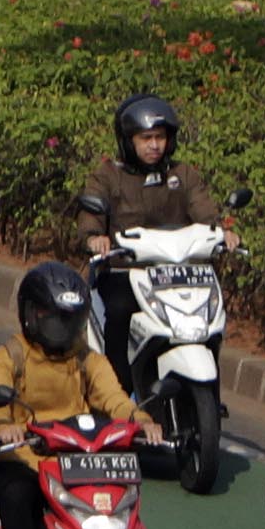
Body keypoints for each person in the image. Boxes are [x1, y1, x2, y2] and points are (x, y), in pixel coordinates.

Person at [0, 258, 143, 529]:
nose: (63, 329)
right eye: (54, 319)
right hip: (25, 455)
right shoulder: (6, 359)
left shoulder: (87, 358)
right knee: (17, 496)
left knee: (119, 496)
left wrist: (140, 419)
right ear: (31, 315)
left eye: (71, 320)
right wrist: (3, 426)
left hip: (79, 457)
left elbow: (113, 397)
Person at [71, 90, 221, 366]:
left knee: (209, 320)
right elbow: (90, 214)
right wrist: (94, 238)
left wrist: (222, 232)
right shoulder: (107, 175)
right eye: (146, 138)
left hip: (176, 274)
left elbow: (204, 211)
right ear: (129, 141)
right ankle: (117, 385)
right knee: (118, 311)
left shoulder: (183, 174)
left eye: (160, 137)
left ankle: (210, 397)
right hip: (124, 272)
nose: (154, 145)